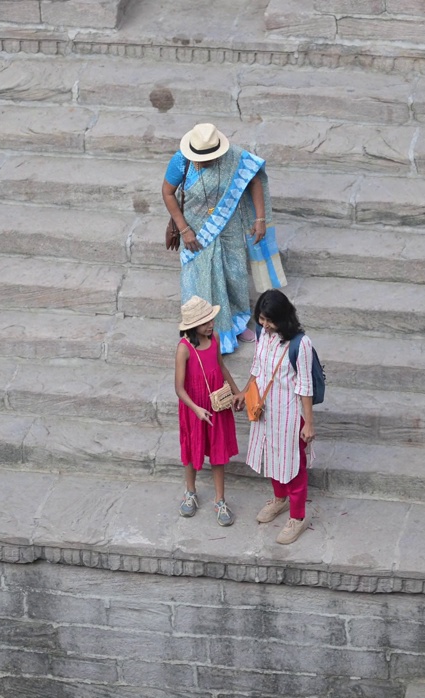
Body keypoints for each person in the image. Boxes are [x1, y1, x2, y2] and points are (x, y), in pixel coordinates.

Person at [161, 122, 273, 355]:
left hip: (228, 224)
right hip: (195, 229)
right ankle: (199, 331)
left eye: (208, 158)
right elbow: (167, 192)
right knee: (199, 279)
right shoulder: (181, 161)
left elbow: (254, 180)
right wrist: (184, 229)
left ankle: (236, 323)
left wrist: (260, 220)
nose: (203, 161)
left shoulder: (233, 156)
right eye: (199, 157)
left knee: (234, 274)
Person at [242, 289, 315, 545]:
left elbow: (305, 386)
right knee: (272, 456)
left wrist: (309, 424)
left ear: (282, 318)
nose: (264, 325)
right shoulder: (263, 333)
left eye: (269, 320)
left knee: (294, 465)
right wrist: (246, 391)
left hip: (290, 415)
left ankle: (298, 516)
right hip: (266, 411)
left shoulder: (300, 344)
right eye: (261, 319)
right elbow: (257, 366)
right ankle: (279, 499)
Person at [174, 296, 242, 526]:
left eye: (210, 320)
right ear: (193, 326)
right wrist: (196, 409)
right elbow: (179, 389)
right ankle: (190, 491)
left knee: (218, 451)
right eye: (204, 323)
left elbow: (222, 367)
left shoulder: (215, 338)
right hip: (194, 407)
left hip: (216, 405)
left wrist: (236, 392)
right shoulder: (183, 349)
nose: (210, 325)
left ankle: (220, 499)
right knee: (193, 449)